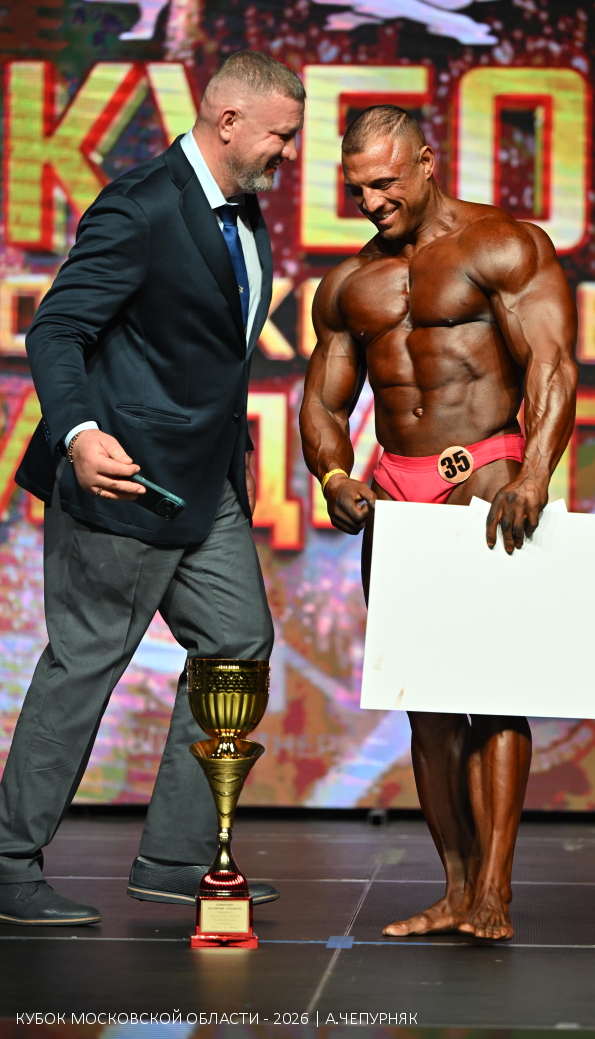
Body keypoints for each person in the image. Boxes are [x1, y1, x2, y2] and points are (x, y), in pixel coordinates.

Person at [0, 50, 304, 926]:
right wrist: (80, 434)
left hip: (203, 483)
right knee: (87, 661)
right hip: (122, 481)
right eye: (281, 135)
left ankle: (176, 857)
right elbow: (57, 330)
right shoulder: (140, 205)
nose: (288, 153)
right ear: (228, 121)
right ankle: (8, 861)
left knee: (237, 642)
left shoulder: (240, 209)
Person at [299, 105, 577, 940]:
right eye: (357, 188)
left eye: (385, 182)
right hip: (397, 489)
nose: (371, 201)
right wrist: (334, 473)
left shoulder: (503, 246)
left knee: (494, 693)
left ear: (427, 161)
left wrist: (535, 473)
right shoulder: (348, 285)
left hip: (484, 474)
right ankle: (454, 889)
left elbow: (551, 364)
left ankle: (495, 892)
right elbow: (323, 402)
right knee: (424, 702)